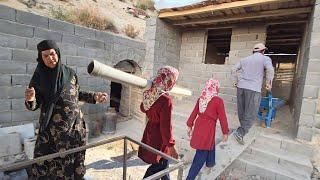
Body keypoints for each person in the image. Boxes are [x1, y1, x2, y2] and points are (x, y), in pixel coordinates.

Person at [25, 40, 108, 179]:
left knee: (75, 162)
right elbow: (35, 103)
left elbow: (77, 94)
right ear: (41, 58)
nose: (50, 58)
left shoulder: (70, 73)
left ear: (57, 53)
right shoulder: (39, 77)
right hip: (53, 133)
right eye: (45, 56)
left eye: (52, 54)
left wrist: (94, 97)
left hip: (75, 129)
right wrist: (30, 99)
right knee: (52, 165)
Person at [138, 66, 179, 180]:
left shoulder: (151, 93)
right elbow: (165, 127)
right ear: (170, 81)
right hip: (160, 137)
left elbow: (142, 108)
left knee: (163, 164)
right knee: (159, 165)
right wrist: (171, 146)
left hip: (150, 130)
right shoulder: (166, 100)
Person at [231, 43, 275, 145]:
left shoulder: (244, 59)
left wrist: (235, 81)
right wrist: (268, 83)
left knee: (242, 110)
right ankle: (240, 132)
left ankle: (242, 129)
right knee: (251, 112)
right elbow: (270, 69)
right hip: (253, 89)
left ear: (253, 51)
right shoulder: (265, 59)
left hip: (241, 87)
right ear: (263, 51)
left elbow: (233, 69)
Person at [186, 78, 229, 180]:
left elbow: (194, 112)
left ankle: (210, 163)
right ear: (216, 88)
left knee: (209, 143)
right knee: (201, 154)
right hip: (208, 129)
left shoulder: (201, 97)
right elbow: (223, 117)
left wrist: (189, 125)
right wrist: (225, 132)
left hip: (199, 126)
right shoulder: (218, 101)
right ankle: (190, 177)